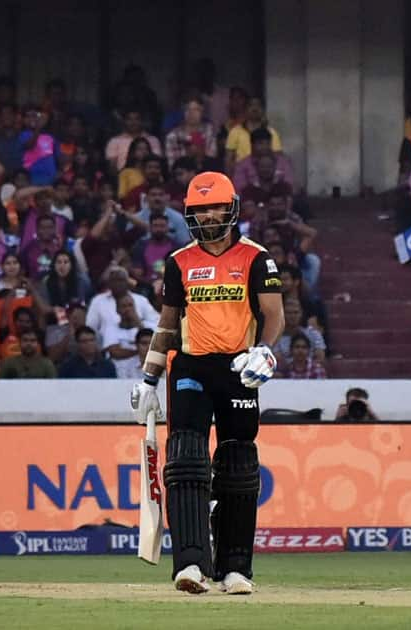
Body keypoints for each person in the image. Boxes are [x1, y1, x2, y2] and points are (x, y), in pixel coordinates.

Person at [129, 171, 284, 595]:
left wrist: (265, 352)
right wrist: (148, 379)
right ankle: (191, 564)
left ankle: (235, 569)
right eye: (198, 210)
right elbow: (165, 327)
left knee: (237, 466)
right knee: (186, 462)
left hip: (238, 370)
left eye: (214, 207)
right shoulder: (179, 261)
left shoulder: (257, 258)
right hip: (191, 368)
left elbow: (274, 315)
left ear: (231, 208)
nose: (208, 216)